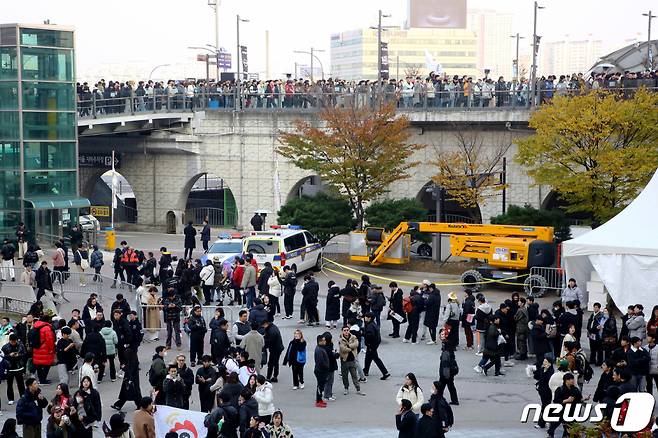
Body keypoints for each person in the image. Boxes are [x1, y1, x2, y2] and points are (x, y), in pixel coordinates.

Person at [546, 373, 583, 438]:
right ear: (566, 380)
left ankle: (566, 435)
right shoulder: (560, 389)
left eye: (573, 379)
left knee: (570, 426)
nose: (573, 381)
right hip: (561, 410)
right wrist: (566, 400)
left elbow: (579, 398)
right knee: (555, 423)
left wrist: (584, 399)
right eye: (571, 379)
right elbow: (556, 400)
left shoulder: (575, 389)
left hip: (572, 411)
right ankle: (551, 434)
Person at [362, 312, 391, 380]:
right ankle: (366, 370)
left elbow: (369, 336)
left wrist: (362, 333)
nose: (365, 318)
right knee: (368, 357)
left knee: (376, 359)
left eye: (366, 317)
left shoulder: (370, 326)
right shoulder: (372, 324)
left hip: (371, 345)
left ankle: (385, 373)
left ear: (369, 318)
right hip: (373, 345)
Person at [32, 313, 57, 384]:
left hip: (37, 348)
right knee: (47, 365)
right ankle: (43, 380)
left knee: (38, 365)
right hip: (45, 349)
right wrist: (52, 349)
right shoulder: (47, 328)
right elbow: (50, 340)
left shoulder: (35, 326)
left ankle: (41, 379)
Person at [533, 352, 555, 430]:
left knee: (545, 406)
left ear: (549, 364)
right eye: (544, 362)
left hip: (547, 392)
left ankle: (542, 423)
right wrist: (534, 371)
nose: (544, 363)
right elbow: (537, 377)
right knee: (546, 406)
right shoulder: (542, 369)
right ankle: (549, 421)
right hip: (542, 391)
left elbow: (548, 381)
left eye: (546, 362)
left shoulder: (551, 372)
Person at [3, 333, 26, 405]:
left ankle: (22, 397)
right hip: (9, 368)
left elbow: (25, 354)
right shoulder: (5, 347)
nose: (13, 343)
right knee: (9, 384)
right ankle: (10, 398)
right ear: (9, 340)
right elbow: (2, 357)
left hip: (18, 367)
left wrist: (18, 355)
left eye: (14, 341)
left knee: (21, 383)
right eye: (12, 341)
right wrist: (9, 355)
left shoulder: (20, 345)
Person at [438, 337, 459, 405]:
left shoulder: (445, 353)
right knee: (451, 387)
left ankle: (438, 399)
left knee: (440, 387)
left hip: (445, 374)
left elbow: (445, 364)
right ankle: (455, 400)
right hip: (450, 373)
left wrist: (446, 375)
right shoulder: (451, 352)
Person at [314, 335, 330, 408]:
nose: (325, 341)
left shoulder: (321, 348)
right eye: (323, 340)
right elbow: (321, 362)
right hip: (320, 371)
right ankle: (318, 401)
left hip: (321, 370)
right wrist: (326, 367)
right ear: (320, 341)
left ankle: (320, 399)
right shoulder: (319, 350)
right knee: (320, 386)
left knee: (321, 386)